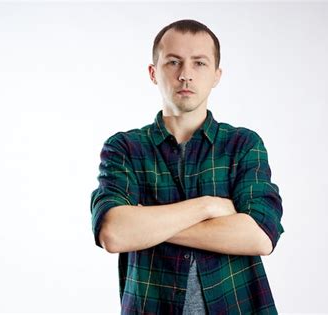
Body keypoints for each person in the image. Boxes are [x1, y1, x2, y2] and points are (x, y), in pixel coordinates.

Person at [90, 19, 285, 314]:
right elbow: (114, 233)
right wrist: (208, 206)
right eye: (173, 62)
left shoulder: (242, 145)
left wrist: (146, 223)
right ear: (153, 73)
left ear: (217, 75)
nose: (185, 75)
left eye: (199, 63)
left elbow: (259, 235)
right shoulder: (125, 148)